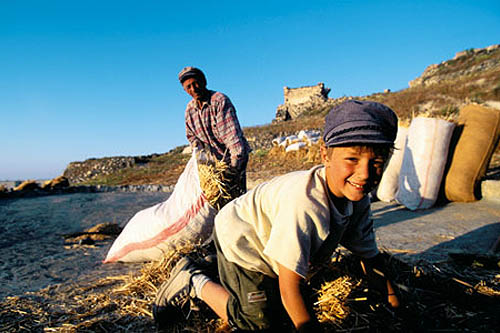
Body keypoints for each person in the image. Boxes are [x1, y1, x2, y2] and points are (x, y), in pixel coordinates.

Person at [153, 100, 401, 331]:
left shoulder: (357, 198)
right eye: (352, 160)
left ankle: (215, 265)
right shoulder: (306, 204)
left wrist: (394, 304)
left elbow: (370, 259)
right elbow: (289, 287)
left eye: (377, 162)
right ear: (325, 156)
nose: (365, 173)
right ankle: (193, 279)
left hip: (271, 236)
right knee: (261, 322)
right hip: (242, 238)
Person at [178, 66, 251, 199]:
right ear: (184, 90)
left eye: (196, 83)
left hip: (232, 161)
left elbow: (232, 138)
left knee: (236, 202)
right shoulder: (189, 110)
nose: (193, 89)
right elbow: (192, 138)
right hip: (214, 166)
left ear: (204, 81)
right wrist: (205, 165)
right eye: (188, 87)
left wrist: (232, 170)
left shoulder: (219, 101)